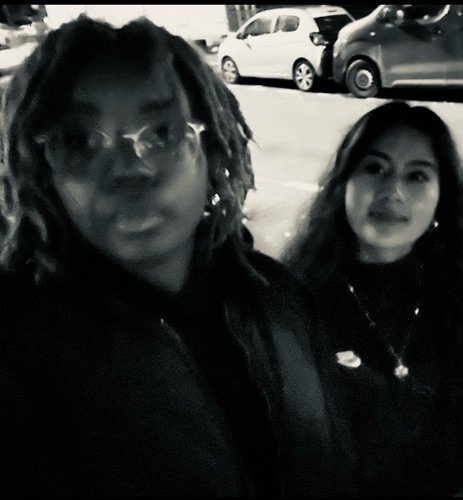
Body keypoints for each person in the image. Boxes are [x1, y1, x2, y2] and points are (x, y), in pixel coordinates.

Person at [0, 15, 357, 497]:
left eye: (163, 132)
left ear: (211, 150)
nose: (129, 170)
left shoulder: (278, 301)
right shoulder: (19, 352)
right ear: (44, 172)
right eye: (79, 140)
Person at [283, 101, 463, 497]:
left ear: (441, 195)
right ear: (344, 182)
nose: (392, 192)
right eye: (374, 168)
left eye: (416, 175)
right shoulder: (293, 301)